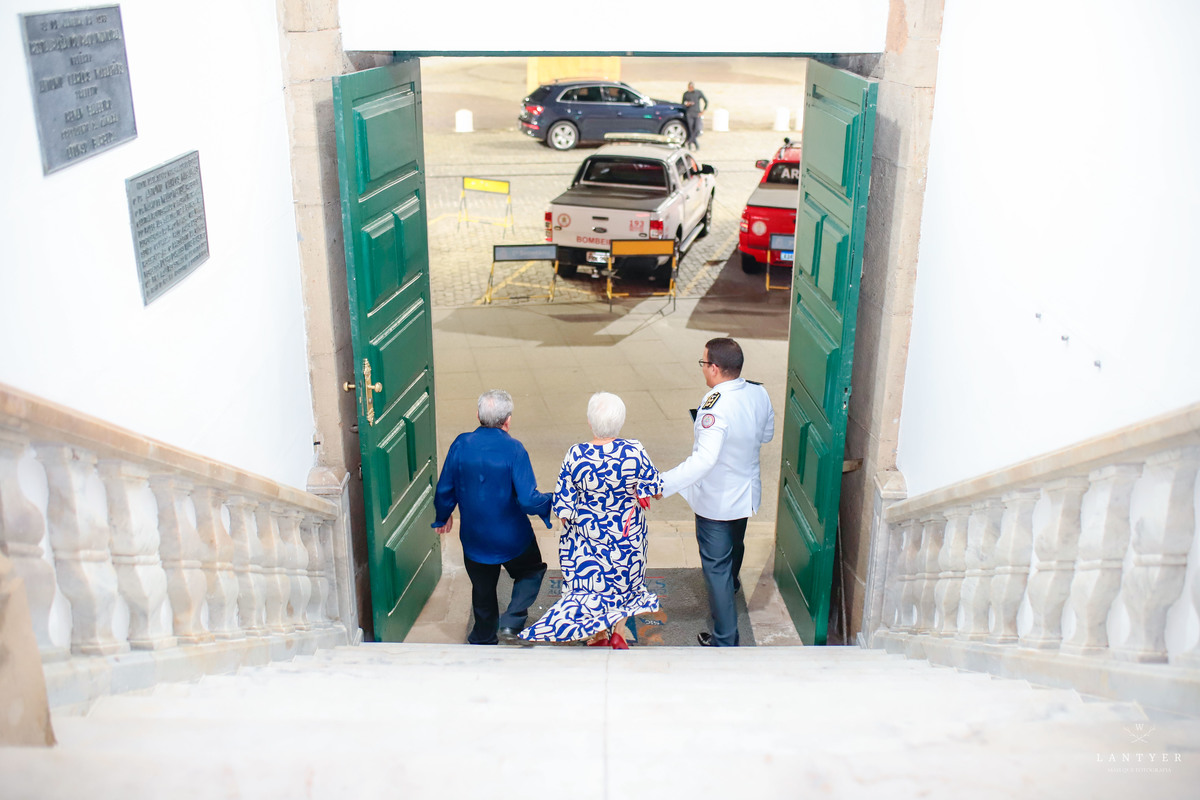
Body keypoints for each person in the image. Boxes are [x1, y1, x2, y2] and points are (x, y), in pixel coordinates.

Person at [519, 392, 663, 649]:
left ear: (589, 422)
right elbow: (656, 490)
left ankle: (596, 636)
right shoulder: (635, 451)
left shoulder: (576, 455)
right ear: (621, 421)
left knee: (592, 588)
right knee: (624, 584)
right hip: (626, 534)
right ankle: (618, 632)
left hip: (587, 536)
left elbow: (563, 507)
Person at [659, 338, 774, 647]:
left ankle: (725, 639)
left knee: (715, 567)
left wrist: (664, 484)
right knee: (735, 547)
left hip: (718, 501)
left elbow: (703, 461)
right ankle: (732, 586)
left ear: (713, 368)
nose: (703, 369)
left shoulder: (714, 406)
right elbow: (767, 434)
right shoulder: (758, 392)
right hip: (747, 494)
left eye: (703, 363)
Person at [433, 389, 551, 645]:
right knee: (531, 571)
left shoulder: (460, 444)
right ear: (508, 420)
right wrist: (550, 501)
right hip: (513, 539)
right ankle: (512, 620)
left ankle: (483, 637)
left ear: (477, 415)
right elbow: (529, 500)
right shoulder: (514, 450)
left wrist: (443, 517)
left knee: (483, 588)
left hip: (474, 538)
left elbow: (445, 487)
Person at [682, 81, 708, 150]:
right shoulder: (686, 94)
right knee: (691, 129)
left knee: (697, 129)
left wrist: (703, 111)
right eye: (689, 87)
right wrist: (687, 104)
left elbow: (706, 101)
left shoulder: (698, 93)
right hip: (689, 113)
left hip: (697, 113)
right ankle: (694, 145)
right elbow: (682, 103)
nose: (690, 88)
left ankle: (690, 141)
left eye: (691, 87)